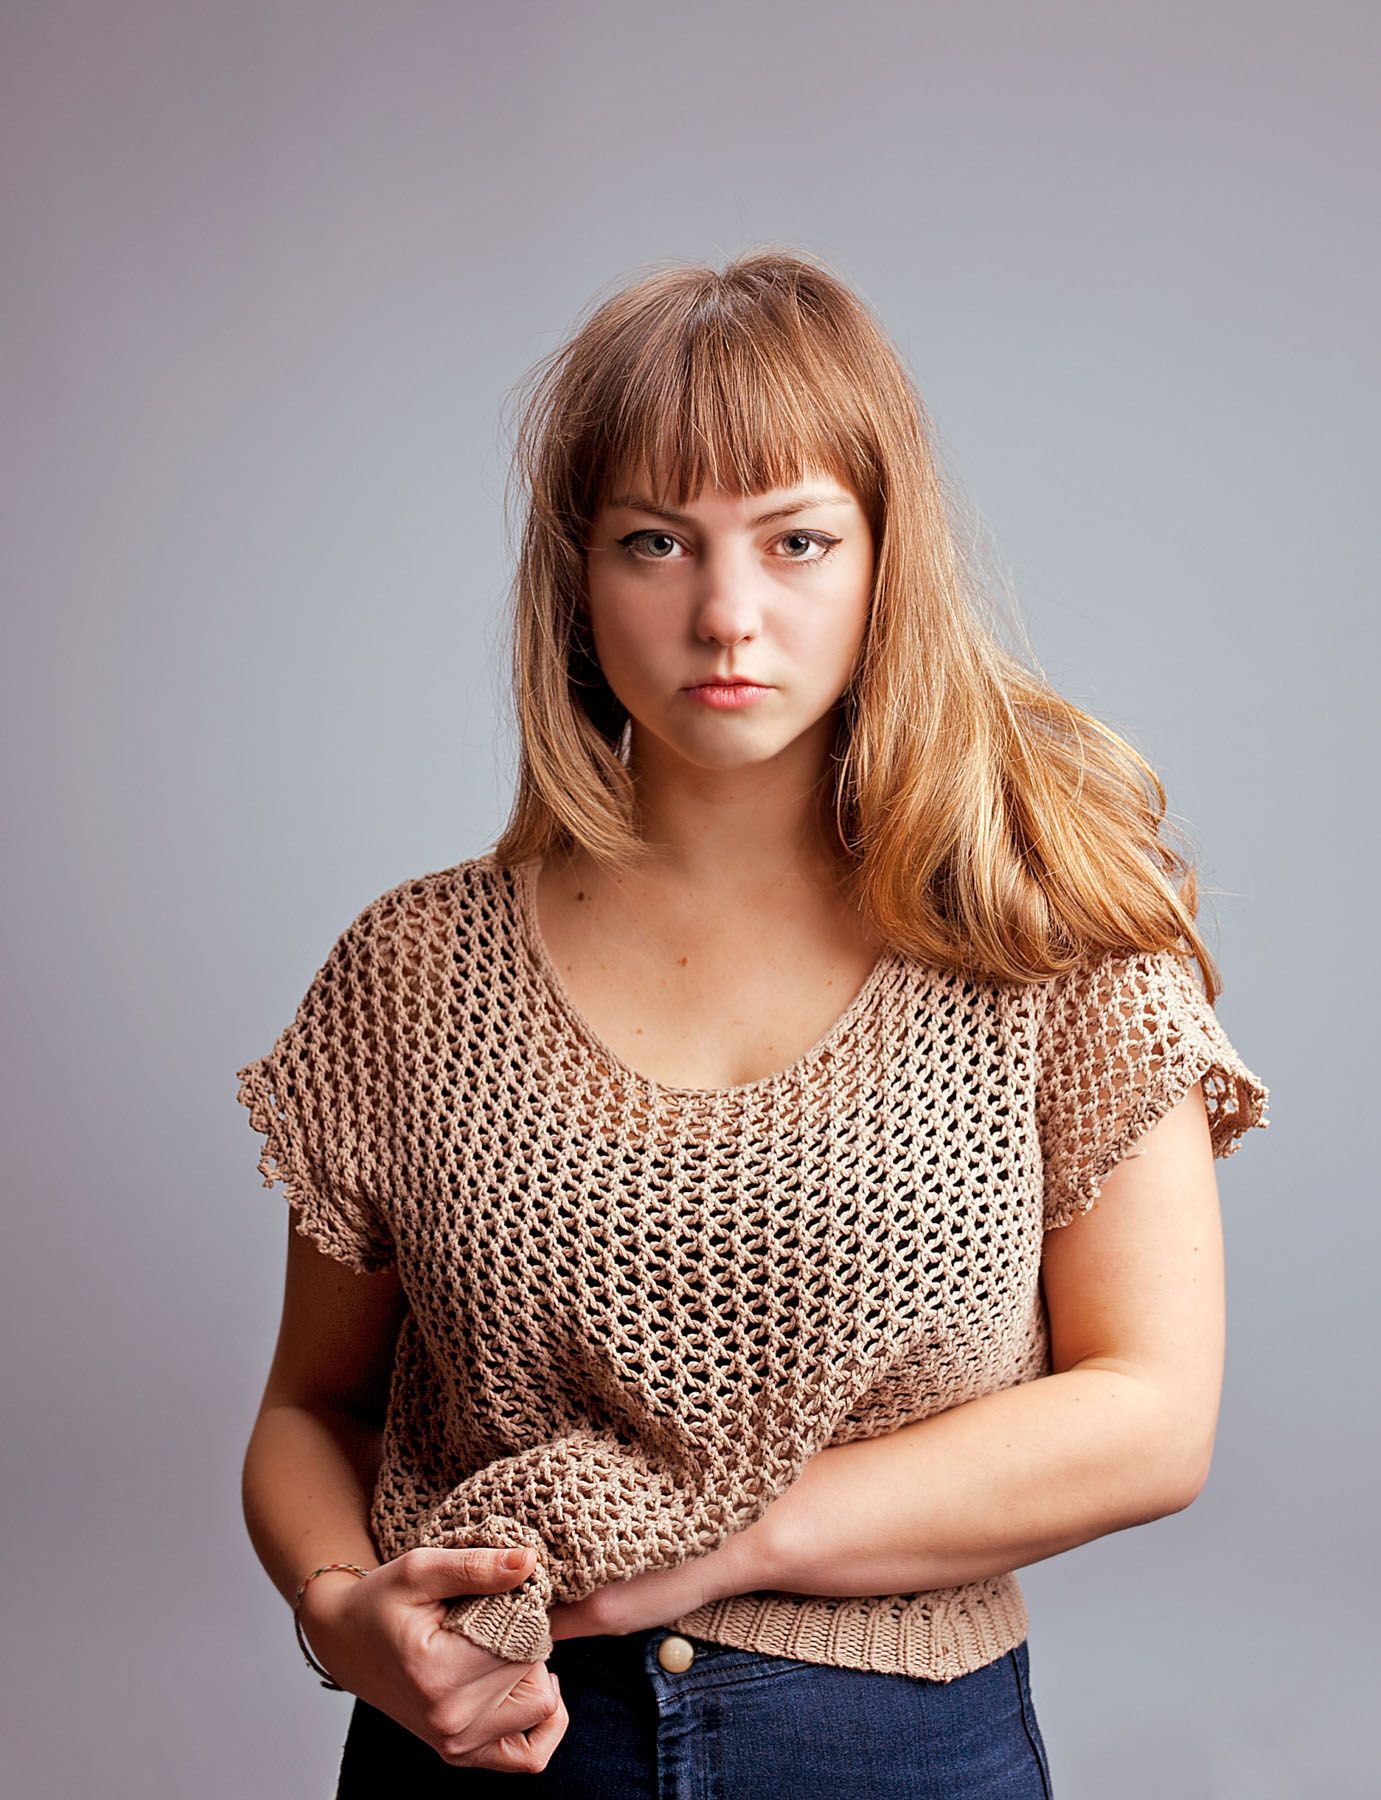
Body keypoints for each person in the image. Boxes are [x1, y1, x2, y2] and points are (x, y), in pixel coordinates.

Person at [236, 247, 1270, 1797]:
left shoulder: (1045, 939)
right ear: (577, 583)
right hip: (490, 1756)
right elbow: (310, 1406)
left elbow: (1149, 1417)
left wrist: (714, 1543)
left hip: (898, 1756)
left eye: (794, 541)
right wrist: (345, 1616)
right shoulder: (412, 974)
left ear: (880, 561)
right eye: (656, 543)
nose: (727, 614)